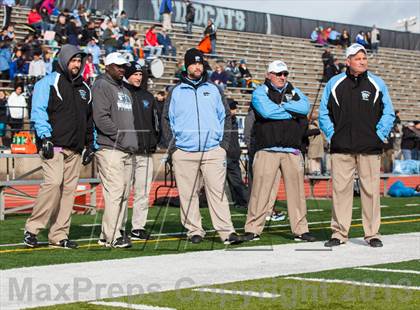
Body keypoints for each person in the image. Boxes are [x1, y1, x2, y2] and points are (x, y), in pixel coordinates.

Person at [319, 43, 395, 248]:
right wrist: (332, 136)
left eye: (364, 58)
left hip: (369, 148)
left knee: (370, 191)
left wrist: (379, 135)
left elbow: (389, 112)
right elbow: (323, 113)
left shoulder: (377, 83)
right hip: (341, 147)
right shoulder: (334, 83)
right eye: (357, 58)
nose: (362, 61)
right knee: (340, 191)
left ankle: (372, 234)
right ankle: (339, 233)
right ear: (348, 61)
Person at [162, 48, 241, 245]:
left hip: (212, 150)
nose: (198, 67)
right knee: (188, 194)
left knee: (218, 192)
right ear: (186, 65)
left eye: (200, 63)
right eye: (194, 63)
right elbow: (165, 120)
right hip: (184, 151)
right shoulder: (175, 92)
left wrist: (223, 146)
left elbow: (225, 118)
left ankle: (226, 231)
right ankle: (194, 230)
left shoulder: (214, 89)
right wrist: (173, 148)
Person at [23, 45, 94, 249]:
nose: (77, 65)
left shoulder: (85, 88)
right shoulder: (48, 82)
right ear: (64, 60)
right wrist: (45, 137)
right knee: (53, 184)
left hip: (75, 149)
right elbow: (38, 110)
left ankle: (59, 235)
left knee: (68, 192)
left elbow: (89, 120)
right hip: (53, 146)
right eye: (73, 60)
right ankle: (32, 229)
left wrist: (90, 144)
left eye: (79, 61)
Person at [243, 60, 316, 242]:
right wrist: (292, 111)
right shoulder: (260, 91)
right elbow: (266, 112)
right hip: (267, 148)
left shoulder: (294, 91)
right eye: (278, 74)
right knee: (260, 191)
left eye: (285, 74)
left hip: (292, 149)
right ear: (269, 75)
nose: (283, 77)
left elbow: (304, 108)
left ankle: (300, 229)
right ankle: (253, 229)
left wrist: (283, 107)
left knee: (297, 193)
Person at [92, 52, 137, 248]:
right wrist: (122, 136)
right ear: (107, 66)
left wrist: (131, 140)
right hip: (110, 147)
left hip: (126, 148)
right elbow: (101, 118)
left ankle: (109, 233)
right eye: (118, 66)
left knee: (124, 193)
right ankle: (112, 235)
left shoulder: (125, 90)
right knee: (115, 191)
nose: (122, 69)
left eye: (123, 66)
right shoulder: (101, 86)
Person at [123, 61, 159, 240]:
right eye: (134, 74)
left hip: (146, 151)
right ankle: (119, 227)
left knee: (142, 192)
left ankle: (138, 227)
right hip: (126, 151)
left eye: (140, 74)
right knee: (122, 191)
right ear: (127, 75)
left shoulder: (148, 97)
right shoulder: (121, 94)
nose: (138, 77)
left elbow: (156, 123)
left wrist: (154, 141)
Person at [226, 98, 249, 208]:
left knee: (236, 180)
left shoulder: (231, 119)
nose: (235, 110)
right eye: (233, 108)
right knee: (234, 181)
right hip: (229, 153)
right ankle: (239, 201)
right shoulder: (228, 119)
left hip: (231, 154)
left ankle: (243, 201)